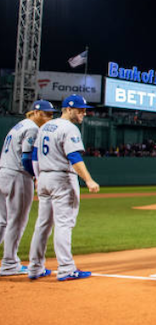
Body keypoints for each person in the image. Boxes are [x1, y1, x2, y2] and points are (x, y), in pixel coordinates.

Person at [28, 94, 100, 281]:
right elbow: (74, 158)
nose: (84, 113)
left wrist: (38, 178)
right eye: (80, 109)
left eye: (85, 110)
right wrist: (89, 180)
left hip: (44, 177)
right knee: (64, 224)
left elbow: (34, 156)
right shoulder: (70, 128)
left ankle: (35, 268)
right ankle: (67, 268)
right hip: (62, 179)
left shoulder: (44, 127)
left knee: (42, 225)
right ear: (68, 109)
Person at [0, 100, 56, 276]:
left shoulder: (19, 125)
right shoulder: (32, 128)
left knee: (2, 221)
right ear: (37, 113)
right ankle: (9, 263)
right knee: (16, 221)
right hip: (18, 176)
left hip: (3, 173)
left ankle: (9, 262)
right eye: (47, 114)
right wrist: (37, 176)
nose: (50, 117)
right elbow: (26, 158)